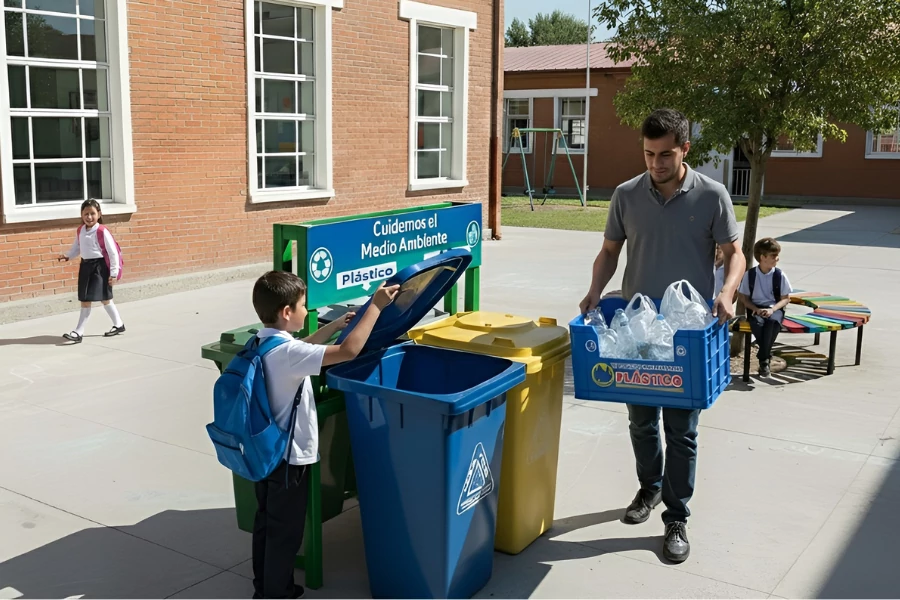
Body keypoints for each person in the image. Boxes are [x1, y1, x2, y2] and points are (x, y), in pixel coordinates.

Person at [579, 108, 746, 563]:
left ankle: (677, 516)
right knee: (640, 421)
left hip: (686, 337)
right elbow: (609, 251)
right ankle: (649, 488)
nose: (656, 164)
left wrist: (728, 293)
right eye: (649, 154)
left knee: (682, 430)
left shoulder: (711, 196)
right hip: (637, 335)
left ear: (685, 149)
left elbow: (736, 254)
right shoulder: (626, 195)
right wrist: (594, 291)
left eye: (666, 154)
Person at [250, 270, 398, 599]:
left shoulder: (263, 342)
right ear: (286, 312)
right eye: (303, 306)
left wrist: (332, 327)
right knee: (285, 532)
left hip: (266, 453)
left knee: (267, 523)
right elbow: (348, 352)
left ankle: (266, 586)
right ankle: (275, 594)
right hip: (289, 460)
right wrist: (375, 305)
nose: (306, 310)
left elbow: (298, 346)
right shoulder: (288, 355)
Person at [57, 199, 125, 343]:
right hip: (86, 267)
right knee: (87, 298)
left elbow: (113, 253)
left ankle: (78, 332)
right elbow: (77, 247)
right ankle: (119, 325)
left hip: (100, 268)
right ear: (81, 215)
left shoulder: (102, 231)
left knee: (102, 298)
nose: (89, 217)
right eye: (86, 214)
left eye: (92, 213)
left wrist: (114, 273)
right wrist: (68, 255)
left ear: (99, 214)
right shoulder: (80, 230)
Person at [737, 237, 792, 377]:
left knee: (772, 323)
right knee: (757, 323)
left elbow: (786, 299)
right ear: (763, 257)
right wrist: (755, 309)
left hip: (774, 309)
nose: (777, 259)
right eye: (774, 256)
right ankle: (765, 357)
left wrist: (772, 309)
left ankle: (763, 359)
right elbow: (743, 297)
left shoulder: (779, 275)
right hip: (756, 309)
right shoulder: (750, 275)